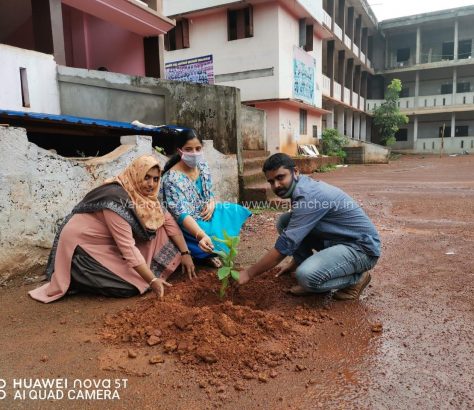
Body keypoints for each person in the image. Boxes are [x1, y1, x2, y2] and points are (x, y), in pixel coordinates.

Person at [29, 155, 195, 303]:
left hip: (105, 241)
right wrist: (152, 281)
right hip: (82, 245)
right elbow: (127, 247)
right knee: (128, 287)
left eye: (155, 179)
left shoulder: (147, 198)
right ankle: (74, 274)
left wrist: (185, 253)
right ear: (135, 174)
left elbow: (169, 222)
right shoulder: (115, 201)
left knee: (160, 232)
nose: (151, 184)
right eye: (146, 177)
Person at [238, 153, 380, 301]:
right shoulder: (301, 187)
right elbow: (298, 230)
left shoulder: (309, 195)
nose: (276, 185)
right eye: (271, 181)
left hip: (361, 249)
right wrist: (295, 261)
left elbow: (286, 244)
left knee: (306, 277)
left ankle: (356, 279)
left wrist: (249, 273)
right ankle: (305, 265)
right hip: (340, 240)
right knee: (285, 221)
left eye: (280, 177)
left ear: (296, 172)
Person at [161, 129, 251, 266]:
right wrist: (200, 234)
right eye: (189, 149)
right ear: (180, 151)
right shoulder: (171, 178)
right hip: (189, 221)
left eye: (198, 149)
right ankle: (204, 255)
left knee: (235, 211)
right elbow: (181, 214)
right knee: (211, 234)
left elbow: (209, 192)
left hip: (206, 211)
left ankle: (211, 251)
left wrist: (212, 203)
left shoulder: (202, 166)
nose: (195, 153)